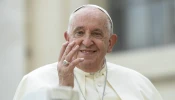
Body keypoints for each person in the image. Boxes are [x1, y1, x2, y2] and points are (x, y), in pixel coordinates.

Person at [13, 4, 163, 100]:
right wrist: (64, 87)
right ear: (67, 38)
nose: (86, 42)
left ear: (110, 43)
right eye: (79, 33)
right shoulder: (35, 81)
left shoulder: (139, 84)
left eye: (96, 34)